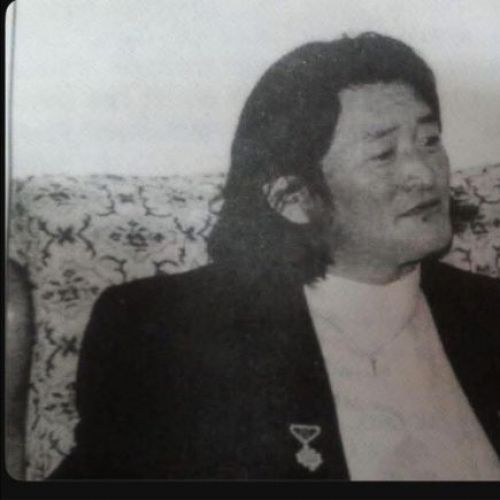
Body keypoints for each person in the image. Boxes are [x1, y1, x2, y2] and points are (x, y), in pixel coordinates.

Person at [50, 32, 500, 480]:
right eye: (383, 154)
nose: (425, 173)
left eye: (430, 140)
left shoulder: (486, 314)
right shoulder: (169, 329)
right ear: (294, 198)